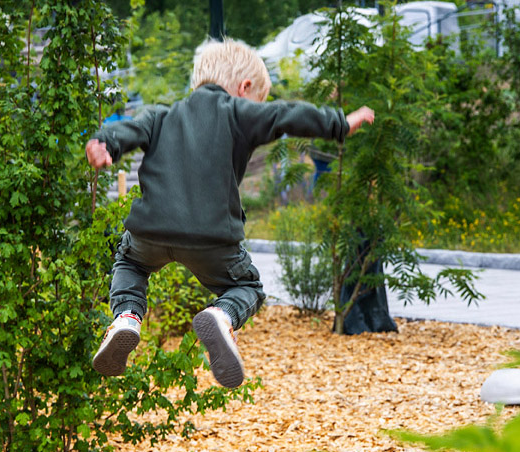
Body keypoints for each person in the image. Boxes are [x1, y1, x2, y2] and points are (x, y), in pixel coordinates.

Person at [85, 38, 374, 388]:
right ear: (244, 88)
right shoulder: (238, 110)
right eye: (257, 102)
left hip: (151, 231)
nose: (257, 109)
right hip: (212, 239)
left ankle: (127, 318)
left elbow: (126, 128)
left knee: (129, 264)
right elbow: (284, 115)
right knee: (248, 287)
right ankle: (221, 316)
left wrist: (104, 143)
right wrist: (339, 124)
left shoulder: (161, 115)